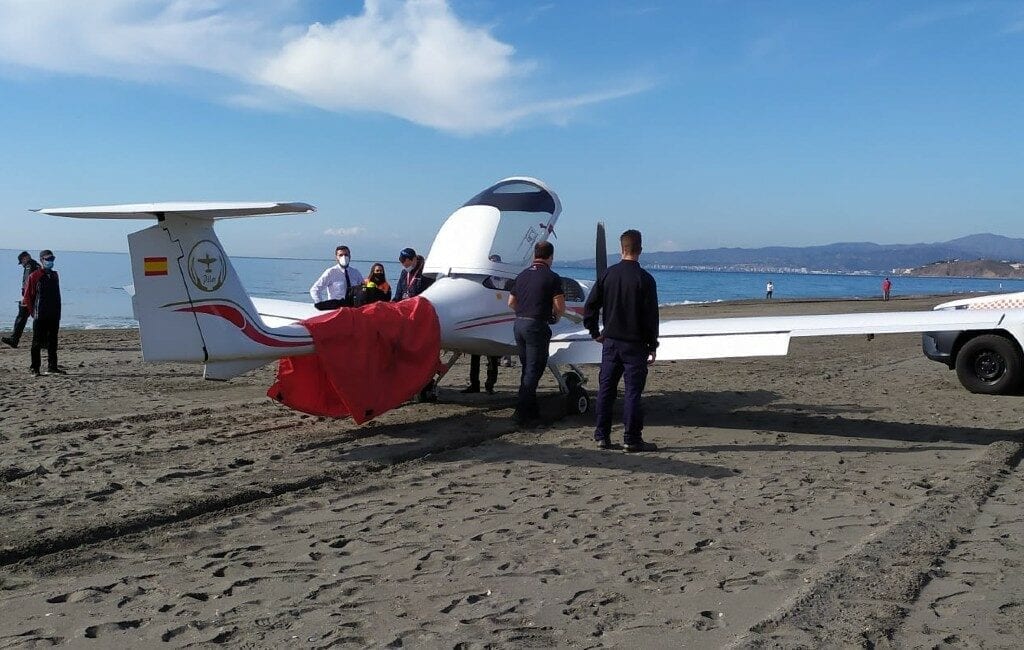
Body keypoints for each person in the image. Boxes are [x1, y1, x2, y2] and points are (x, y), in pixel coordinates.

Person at [583, 229, 659, 452]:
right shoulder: (645, 279)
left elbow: (590, 306)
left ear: (621, 249)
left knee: (606, 389)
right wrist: (652, 345)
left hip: (611, 342)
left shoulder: (608, 275)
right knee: (633, 392)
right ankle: (631, 438)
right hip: (635, 344)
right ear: (640, 250)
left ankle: (602, 436)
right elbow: (651, 317)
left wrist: (594, 331)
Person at [508, 240, 565, 426]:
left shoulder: (522, 275)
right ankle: (520, 411)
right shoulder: (552, 277)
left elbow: (511, 302)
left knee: (527, 368)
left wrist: (523, 312)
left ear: (534, 255)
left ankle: (532, 410)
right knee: (535, 369)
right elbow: (559, 306)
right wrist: (555, 318)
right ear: (551, 257)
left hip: (519, 325)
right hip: (536, 326)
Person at [393, 248, 437, 401]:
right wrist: (392, 306)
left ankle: (428, 387)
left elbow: (432, 295)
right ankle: (409, 386)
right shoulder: (405, 273)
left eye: (406, 261)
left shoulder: (427, 273)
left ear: (414, 259)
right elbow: (399, 293)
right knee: (406, 354)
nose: (404, 264)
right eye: (402, 262)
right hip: (405, 317)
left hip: (421, 318)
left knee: (423, 354)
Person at [22, 249, 64, 376]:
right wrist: (33, 312)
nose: (50, 262)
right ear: (41, 260)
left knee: (53, 341)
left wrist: (58, 311)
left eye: (52, 259)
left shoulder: (55, 275)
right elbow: (28, 296)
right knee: (37, 342)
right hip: (40, 314)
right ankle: (35, 367)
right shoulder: (34, 276)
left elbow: (57, 295)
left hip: (54, 314)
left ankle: (52, 366)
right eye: (48, 259)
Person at [1, 251, 40, 348]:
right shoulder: (37, 265)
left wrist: (25, 297)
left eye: (22, 261)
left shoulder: (29, 266)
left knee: (21, 317)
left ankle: (14, 339)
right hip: (37, 296)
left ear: (25, 258)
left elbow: (27, 283)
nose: (22, 264)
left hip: (30, 297)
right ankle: (43, 341)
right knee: (38, 319)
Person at [310, 245, 364, 310]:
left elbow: (363, 290)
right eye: (340, 255)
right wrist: (321, 304)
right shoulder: (331, 272)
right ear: (336, 257)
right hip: (336, 309)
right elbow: (315, 289)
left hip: (353, 309)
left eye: (346, 254)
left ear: (350, 256)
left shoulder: (355, 272)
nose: (344, 257)